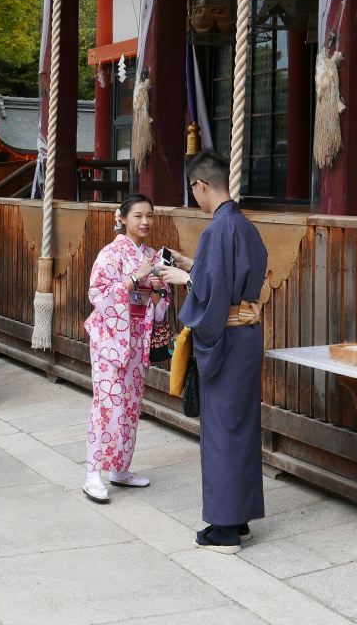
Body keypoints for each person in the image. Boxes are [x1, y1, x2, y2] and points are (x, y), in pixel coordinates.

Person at [158, 150, 268, 553]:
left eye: (194, 191)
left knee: (222, 431)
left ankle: (224, 527)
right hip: (246, 335)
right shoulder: (244, 226)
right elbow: (229, 276)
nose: (195, 198)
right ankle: (238, 519)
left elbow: (213, 292)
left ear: (201, 186)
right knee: (239, 428)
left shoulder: (217, 230)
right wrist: (194, 267)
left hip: (225, 338)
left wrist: (184, 276)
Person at [81, 193, 170, 503]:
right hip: (109, 340)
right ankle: (93, 472)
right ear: (121, 219)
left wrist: (158, 292)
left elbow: (160, 308)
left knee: (131, 406)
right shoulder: (110, 254)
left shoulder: (153, 256)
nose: (145, 221)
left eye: (149, 215)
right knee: (108, 405)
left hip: (136, 338)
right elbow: (98, 296)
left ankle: (120, 468)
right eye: (138, 216)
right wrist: (136, 278)